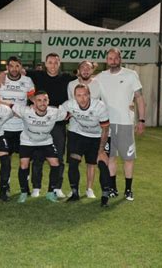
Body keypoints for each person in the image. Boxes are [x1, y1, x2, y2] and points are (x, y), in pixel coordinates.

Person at [0, 53, 76, 198]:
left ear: (59, 63)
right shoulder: (37, 75)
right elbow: (16, 70)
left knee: (58, 156)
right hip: (36, 121)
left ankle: (57, 187)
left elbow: (84, 80)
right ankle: (36, 187)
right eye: (50, 62)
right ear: (45, 64)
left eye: (55, 62)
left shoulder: (67, 78)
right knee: (38, 156)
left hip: (57, 122)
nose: (52, 65)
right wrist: (3, 73)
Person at [95, 48, 146, 201]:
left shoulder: (131, 75)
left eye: (116, 58)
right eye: (110, 58)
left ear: (120, 59)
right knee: (110, 157)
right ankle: (113, 188)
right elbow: (85, 82)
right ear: (106, 60)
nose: (113, 60)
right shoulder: (100, 77)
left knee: (128, 158)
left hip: (125, 123)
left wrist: (141, 120)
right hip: (107, 124)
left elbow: (139, 98)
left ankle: (128, 190)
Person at [61, 84, 112, 207]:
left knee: (102, 163)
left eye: (85, 95)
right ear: (75, 96)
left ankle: (105, 196)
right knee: (73, 162)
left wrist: (101, 150)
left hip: (99, 136)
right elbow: (57, 114)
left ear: (89, 95)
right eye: (79, 95)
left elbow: (105, 129)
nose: (82, 98)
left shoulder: (99, 106)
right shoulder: (69, 105)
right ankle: (74, 193)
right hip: (79, 134)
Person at [0, 56, 35, 193]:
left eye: (17, 66)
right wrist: (12, 109)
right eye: (11, 66)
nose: (14, 69)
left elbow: (32, 99)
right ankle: (5, 186)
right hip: (4, 127)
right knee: (5, 161)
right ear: (7, 67)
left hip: (22, 128)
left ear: (21, 67)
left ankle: (24, 187)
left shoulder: (27, 81)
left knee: (25, 160)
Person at [12, 91, 67, 203]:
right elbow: (10, 105)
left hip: (45, 141)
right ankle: (23, 192)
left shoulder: (54, 112)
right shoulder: (26, 111)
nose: (42, 103)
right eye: (39, 100)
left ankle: (51, 193)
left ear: (49, 101)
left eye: (45, 100)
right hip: (27, 141)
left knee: (56, 163)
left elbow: (69, 112)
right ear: (34, 101)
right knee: (24, 165)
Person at [66, 60, 102, 198]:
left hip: (93, 132)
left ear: (92, 70)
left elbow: (103, 103)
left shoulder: (98, 84)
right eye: (83, 67)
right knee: (73, 162)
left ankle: (89, 189)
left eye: (88, 68)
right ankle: (74, 189)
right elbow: (71, 105)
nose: (86, 70)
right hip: (75, 130)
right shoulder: (71, 85)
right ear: (78, 70)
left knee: (91, 162)